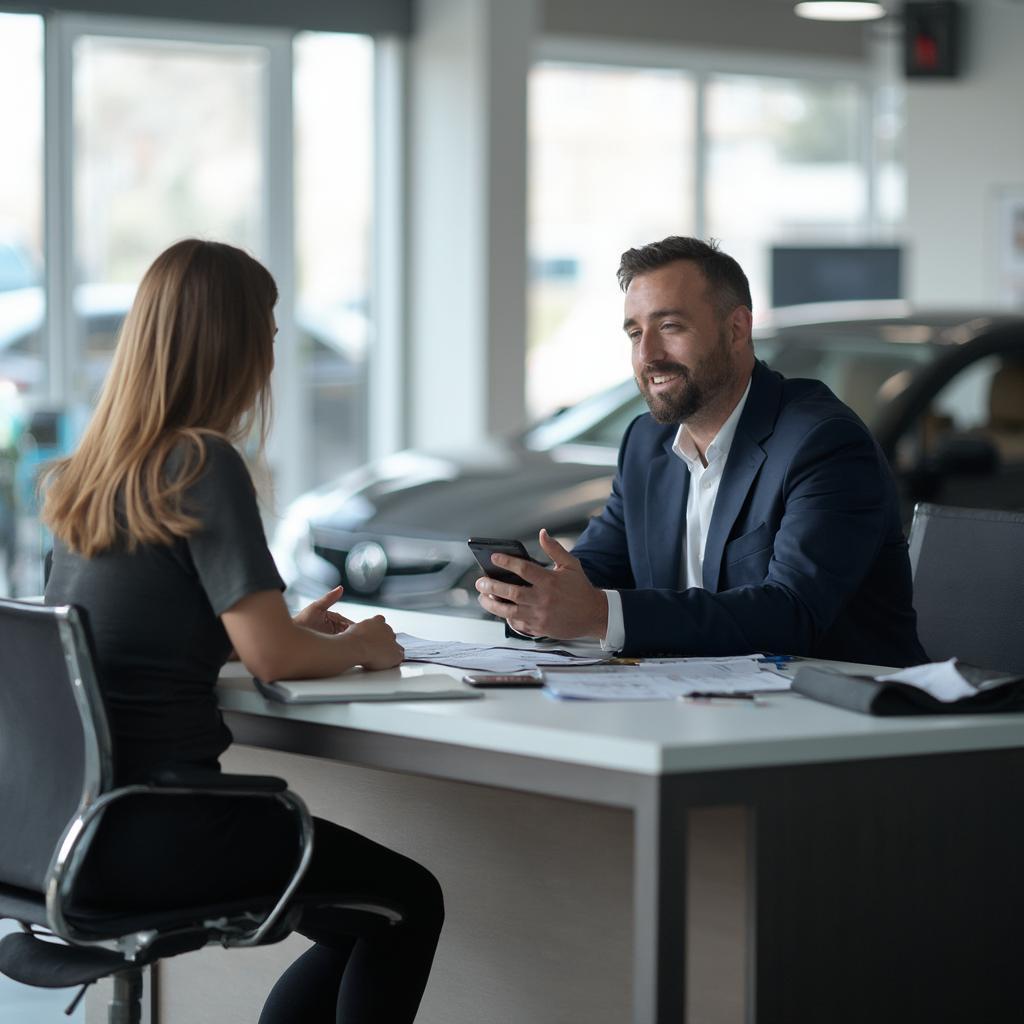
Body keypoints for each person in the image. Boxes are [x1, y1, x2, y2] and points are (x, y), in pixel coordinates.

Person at [43, 239, 443, 1023]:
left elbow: (149, 633)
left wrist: (285, 630)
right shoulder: (200, 460)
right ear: (231, 342)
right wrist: (356, 646)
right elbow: (270, 657)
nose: (272, 349)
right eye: (266, 327)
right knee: (407, 902)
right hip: (160, 826)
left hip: (71, 828)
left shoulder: (89, 474)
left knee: (355, 916)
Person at [477, 236, 926, 667]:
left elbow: (792, 614)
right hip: (694, 702)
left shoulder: (824, 442)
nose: (648, 355)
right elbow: (597, 569)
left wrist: (600, 614)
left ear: (736, 329)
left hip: (840, 718)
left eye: (670, 326)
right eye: (635, 333)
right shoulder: (645, 443)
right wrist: (538, 599)